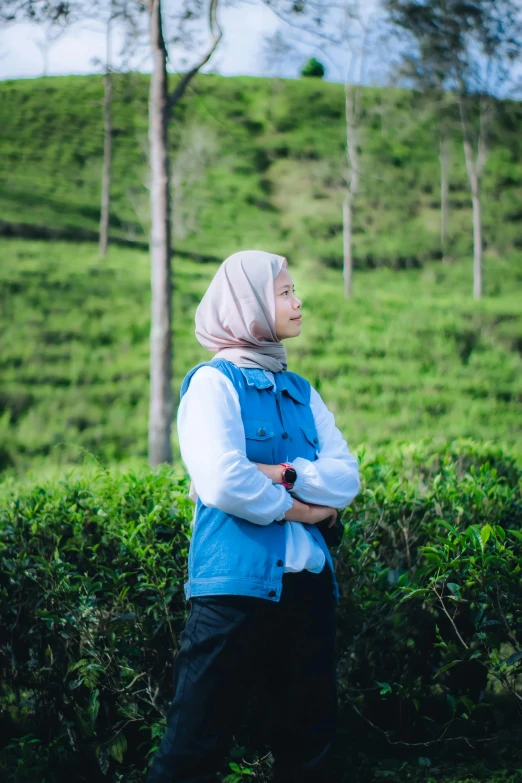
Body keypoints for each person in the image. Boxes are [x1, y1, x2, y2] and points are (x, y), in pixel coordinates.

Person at [147, 250, 360, 783]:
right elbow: (222, 479)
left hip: (308, 591)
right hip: (233, 591)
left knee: (308, 749)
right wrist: (305, 508)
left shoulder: (301, 391)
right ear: (249, 304)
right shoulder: (213, 385)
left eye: (294, 291)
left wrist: (280, 475)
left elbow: (347, 477)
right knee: (193, 747)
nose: (298, 301)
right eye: (285, 292)